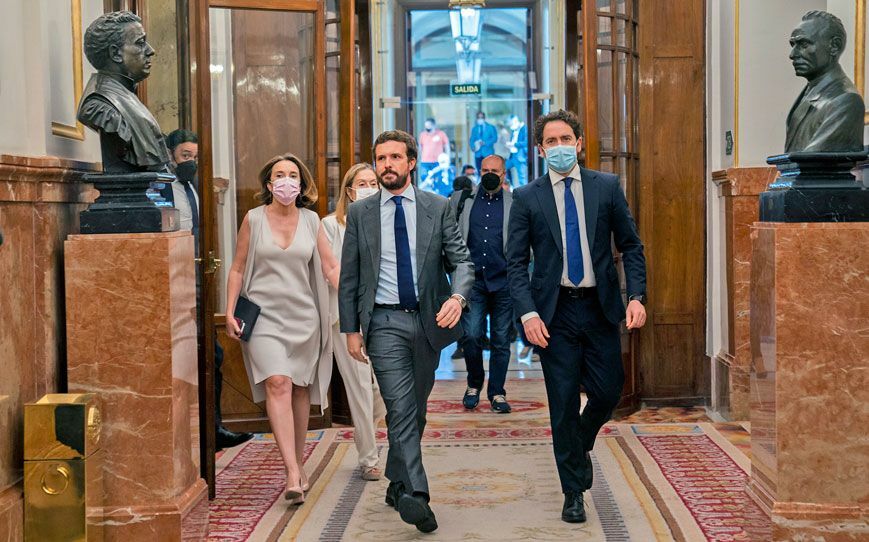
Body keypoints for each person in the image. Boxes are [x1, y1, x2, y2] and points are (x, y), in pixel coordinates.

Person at [506, 110, 647, 524]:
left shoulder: (606, 187)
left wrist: (636, 296)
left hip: (600, 307)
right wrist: (528, 312)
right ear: (540, 149)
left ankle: (580, 440)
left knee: (608, 391)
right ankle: (573, 491)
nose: (560, 146)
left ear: (580, 143)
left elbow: (631, 245)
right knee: (563, 402)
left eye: (566, 138)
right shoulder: (527, 196)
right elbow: (516, 263)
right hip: (555, 313)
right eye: (551, 141)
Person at [338, 130, 473, 533]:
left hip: (428, 322)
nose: (387, 165)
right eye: (380, 159)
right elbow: (349, 277)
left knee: (415, 411)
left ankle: (396, 482)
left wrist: (458, 298)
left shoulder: (437, 206)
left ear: (411, 162)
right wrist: (351, 329)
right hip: (382, 323)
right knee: (399, 408)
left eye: (395, 157)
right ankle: (416, 495)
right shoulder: (362, 214)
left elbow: (461, 261)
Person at [225, 153, 335, 505]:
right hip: (265, 318)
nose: (286, 181)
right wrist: (228, 311)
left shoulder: (312, 220)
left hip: (305, 318)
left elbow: (331, 267)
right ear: (269, 184)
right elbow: (238, 268)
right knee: (278, 383)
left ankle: (298, 463)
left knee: (300, 392)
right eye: (279, 175)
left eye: (293, 175)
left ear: (301, 185)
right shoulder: (253, 219)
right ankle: (290, 471)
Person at [165, 129, 253, 452]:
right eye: (185, 156)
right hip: (173, 280)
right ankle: (193, 432)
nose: (191, 162)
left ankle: (213, 429)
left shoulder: (195, 188)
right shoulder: (161, 189)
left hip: (198, 279)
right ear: (171, 154)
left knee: (211, 355)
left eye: (196, 157)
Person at [320, 163, 387, 481]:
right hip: (345, 319)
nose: (369, 187)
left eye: (373, 182)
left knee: (386, 391)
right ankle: (369, 458)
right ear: (349, 190)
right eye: (362, 182)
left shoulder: (386, 220)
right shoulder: (331, 225)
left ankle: (369, 433)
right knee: (360, 388)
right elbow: (333, 271)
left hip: (384, 315)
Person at [450, 154, 514, 413]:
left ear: (504, 174)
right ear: (479, 172)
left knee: (501, 340)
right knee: (472, 336)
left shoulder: (515, 202)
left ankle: (497, 392)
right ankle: (474, 383)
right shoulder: (464, 201)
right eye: (485, 170)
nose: (490, 174)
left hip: (504, 282)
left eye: (495, 171)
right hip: (472, 283)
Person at [77, 11, 171, 173]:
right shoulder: (99, 106)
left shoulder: (127, 95)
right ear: (115, 53)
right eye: (140, 43)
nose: (151, 50)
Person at [785, 10, 865, 152]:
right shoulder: (809, 92)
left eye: (803, 44)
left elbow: (810, 162)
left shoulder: (845, 100)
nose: (793, 55)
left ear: (834, 46)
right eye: (793, 45)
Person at [417, 118, 450, 182]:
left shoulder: (441, 134)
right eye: (426, 126)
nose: (427, 128)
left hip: (437, 162)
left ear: (434, 125)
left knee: (438, 179)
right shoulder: (423, 135)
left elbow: (447, 147)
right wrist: (418, 158)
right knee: (424, 178)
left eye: (429, 126)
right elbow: (420, 148)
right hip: (425, 161)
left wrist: (447, 159)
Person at [505, 115, 528, 187]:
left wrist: (514, 144)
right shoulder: (514, 130)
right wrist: (510, 145)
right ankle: (510, 185)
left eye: (511, 124)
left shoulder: (524, 129)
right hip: (513, 156)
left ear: (515, 121)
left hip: (520, 157)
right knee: (504, 167)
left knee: (522, 178)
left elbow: (526, 142)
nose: (510, 126)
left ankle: (524, 195)